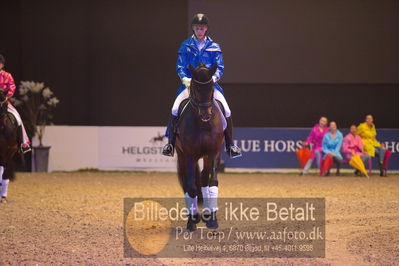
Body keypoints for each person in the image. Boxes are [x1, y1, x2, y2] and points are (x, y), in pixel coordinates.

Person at [161, 13, 241, 158]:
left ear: (206, 29)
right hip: (190, 85)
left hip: (210, 86)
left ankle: (231, 145)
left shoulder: (214, 47)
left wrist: (214, 78)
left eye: (202, 28)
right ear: (193, 28)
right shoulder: (186, 46)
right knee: (174, 108)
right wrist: (184, 78)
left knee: (227, 111)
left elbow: (220, 67)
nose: (199, 30)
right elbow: (180, 66)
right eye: (197, 28)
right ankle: (170, 144)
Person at [0, 54, 31, 153]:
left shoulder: (7, 75)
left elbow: (12, 87)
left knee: (18, 119)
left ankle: (23, 143)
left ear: (2, 65)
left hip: (3, 101)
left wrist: (5, 97)